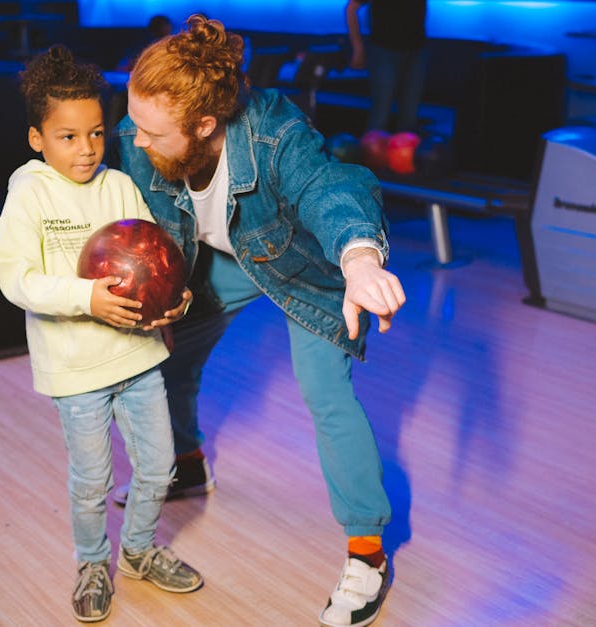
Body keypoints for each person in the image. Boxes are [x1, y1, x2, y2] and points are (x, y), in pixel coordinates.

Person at [114, 15, 406, 627]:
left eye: (151, 132)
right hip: (222, 261)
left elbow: (333, 188)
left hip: (303, 267)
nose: (135, 141)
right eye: (134, 122)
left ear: (203, 126)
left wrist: (358, 258)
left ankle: (367, 555)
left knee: (326, 395)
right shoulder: (142, 131)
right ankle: (188, 464)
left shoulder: (277, 135)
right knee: (167, 357)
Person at [0, 44, 202, 623]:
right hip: (76, 369)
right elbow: (15, 278)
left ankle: (136, 551)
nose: (85, 149)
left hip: (137, 359)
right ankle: (91, 562)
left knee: (160, 468)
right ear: (37, 138)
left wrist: (174, 298)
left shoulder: (119, 186)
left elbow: (157, 256)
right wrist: (86, 297)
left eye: (96, 133)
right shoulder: (29, 191)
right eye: (67, 136)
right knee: (92, 481)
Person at [345, 0, 427, 133]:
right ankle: (372, 152)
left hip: (416, 50)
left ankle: (404, 152)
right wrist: (358, 48)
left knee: (410, 117)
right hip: (383, 51)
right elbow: (351, 8)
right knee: (381, 114)